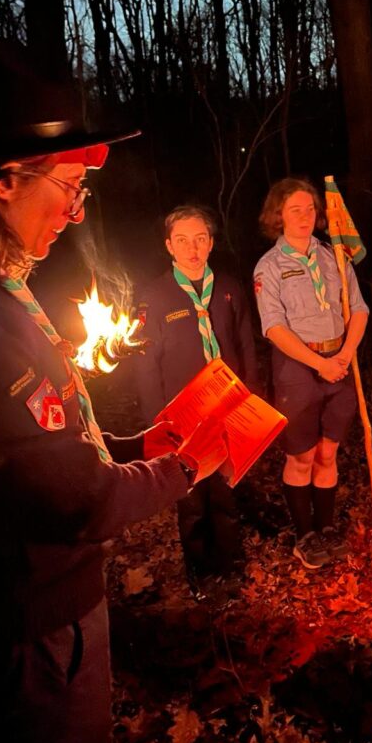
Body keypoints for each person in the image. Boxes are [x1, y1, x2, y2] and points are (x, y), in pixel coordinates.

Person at [0, 37, 197, 743]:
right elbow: (73, 496)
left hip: (46, 613)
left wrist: (132, 443)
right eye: (70, 187)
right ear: (3, 179)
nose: (78, 211)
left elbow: (47, 448)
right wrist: (183, 466)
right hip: (35, 630)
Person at [134, 204, 259, 593]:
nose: (193, 248)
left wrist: (250, 400)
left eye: (200, 238)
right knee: (189, 494)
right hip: (181, 413)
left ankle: (230, 562)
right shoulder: (152, 296)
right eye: (184, 240)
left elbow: (246, 345)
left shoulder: (228, 288)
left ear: (211, 242)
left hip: (227, 407)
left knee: (226, 487)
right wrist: (158, 420)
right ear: (170, 246)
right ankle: (200, 570)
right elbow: (144, 364)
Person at [253, 177, 369, 569]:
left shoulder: (333, 256)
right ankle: (305, 536)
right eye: (294, 210)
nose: (304, 216)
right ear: (278, 216)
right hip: (298, 369)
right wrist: (320, 364)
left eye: (309, 209)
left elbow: (358, 309)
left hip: (340, 361)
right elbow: (274, 327)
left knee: (329, 451)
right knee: (302, 456)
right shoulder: (269, 267)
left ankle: (326, 527)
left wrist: (345, 354)